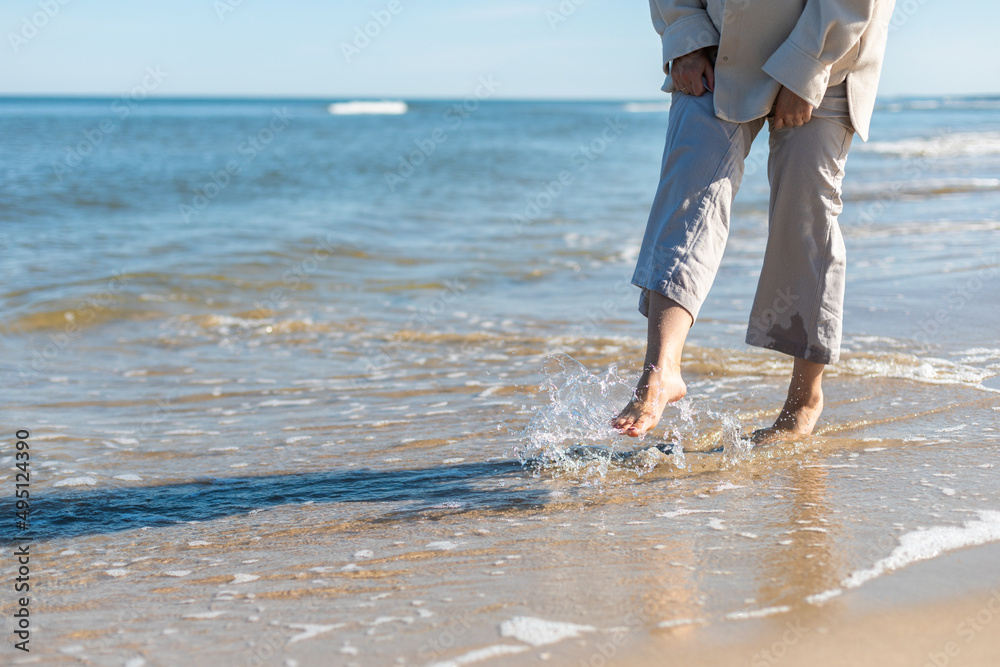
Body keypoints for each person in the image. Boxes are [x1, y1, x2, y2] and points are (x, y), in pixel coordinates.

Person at [613, 0, 896, 439]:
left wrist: (807, 64)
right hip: (717, 39)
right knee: (690, 183)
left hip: (833, 43)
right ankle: (661, 368)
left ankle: (804, 399)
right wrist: (684, 35)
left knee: (806, 211)